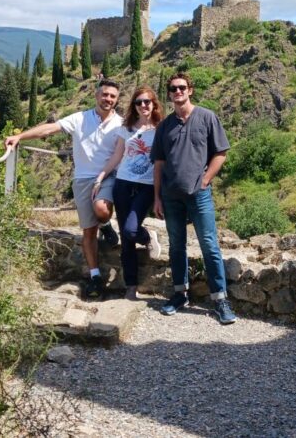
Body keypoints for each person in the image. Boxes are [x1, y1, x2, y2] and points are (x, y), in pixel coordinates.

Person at [5, 78, 122, 299]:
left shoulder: (120, 124)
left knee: (102, 208)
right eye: (105, 94)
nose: (108, 99)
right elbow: (49, 129)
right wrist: (20, 136)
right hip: (81, 180)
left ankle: (105, 222)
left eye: (112, 96)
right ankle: (95, 276)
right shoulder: (80, 118)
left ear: (117, 100)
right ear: (97, 96)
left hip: (107, 176)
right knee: (88, 232)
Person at [151, 72, 237, 325]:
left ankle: (220, 299)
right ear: (169, 93)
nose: (177, 92)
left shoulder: (207, 117)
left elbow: (221, 152)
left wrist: (206, 179)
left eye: (181, 88)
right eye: (172, 88)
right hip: (170, 196)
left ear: (190, 90)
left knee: (209, 245)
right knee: (176, 247)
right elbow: (158, 164)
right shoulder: (165, 126)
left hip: (199, 195)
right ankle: (179, 295)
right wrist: (156, 197)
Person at [92, 86, 163, 300]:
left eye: (147, 102)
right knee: (126, 237)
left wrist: (160, 194)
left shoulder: (161, 129)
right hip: (122, 184)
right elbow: (117, 156)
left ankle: (148, 236)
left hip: (146, 186)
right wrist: (101, 176)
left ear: (154, 104)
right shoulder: (127, 128)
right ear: (133, 105)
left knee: (132, 230)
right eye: (139, 102)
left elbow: (162, 163)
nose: (143, 105)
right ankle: (131, 286)